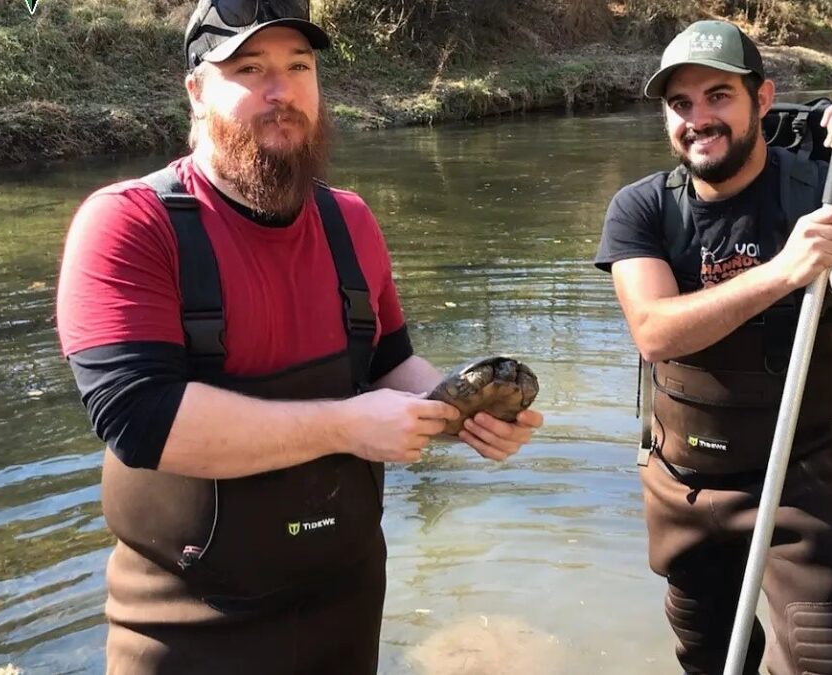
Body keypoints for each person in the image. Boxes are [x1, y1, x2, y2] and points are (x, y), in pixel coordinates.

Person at [54, 1, 544, 672]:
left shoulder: (352, 221)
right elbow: (139, 419)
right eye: (249, 68)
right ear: (196, 90)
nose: (280, 92)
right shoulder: (128, 224)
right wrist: (347, 426)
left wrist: (460, 411)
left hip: (346, 613)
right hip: (185, 630)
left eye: (298, 66)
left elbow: (390, 363)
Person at [594, 20, 832, 675]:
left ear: (764, 97)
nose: (699, 119)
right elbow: (655, 330)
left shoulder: (821, 194)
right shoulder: (641, 210)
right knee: (709, 659)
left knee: (824, 663)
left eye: (718, 96)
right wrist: (784, 269)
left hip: (797, 486)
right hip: (682, 487)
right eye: (680, 104)